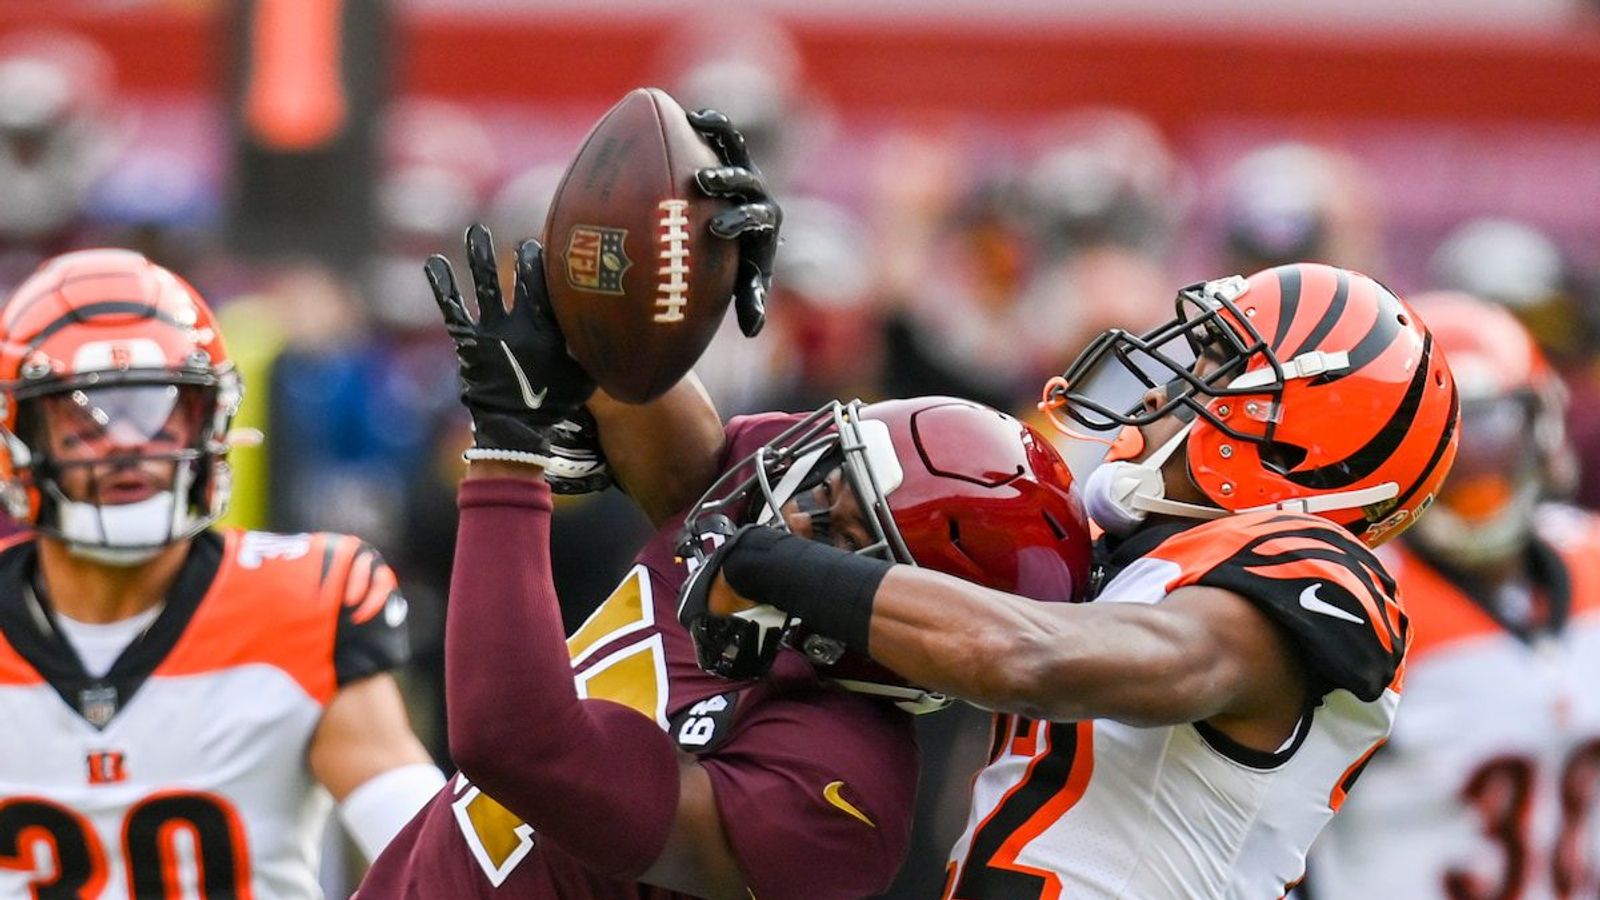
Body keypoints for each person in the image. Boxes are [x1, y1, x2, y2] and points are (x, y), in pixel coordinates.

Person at [352, 193, 1093, 897]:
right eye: (822, 476)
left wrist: (509, 450)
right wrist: (666, 251)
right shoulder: (769, 495)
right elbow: (628, 384)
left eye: (841, 535)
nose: (791, 516)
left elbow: (516, 743)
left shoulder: (841, 789)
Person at [680, 262, 1461, 897]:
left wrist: (779, 567)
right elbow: (716, 508)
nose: (1162, 390)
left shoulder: (1315, 566)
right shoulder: (1133, 557)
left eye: (1216, 364)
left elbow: (1035, 661)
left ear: (1300, 441)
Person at [0, 249, 442, 897]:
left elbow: (430, 851)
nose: (129, 445)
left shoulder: (300, 604)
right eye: (83, 418)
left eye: (161, 409)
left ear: (210, 418)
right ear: (21, 435)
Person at [1304, 292, 1600, 900]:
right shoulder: (1350, 603)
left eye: (1493, 430)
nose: (1471, 469)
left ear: (1540, 427)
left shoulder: (1591, 559)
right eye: (1447, 442)